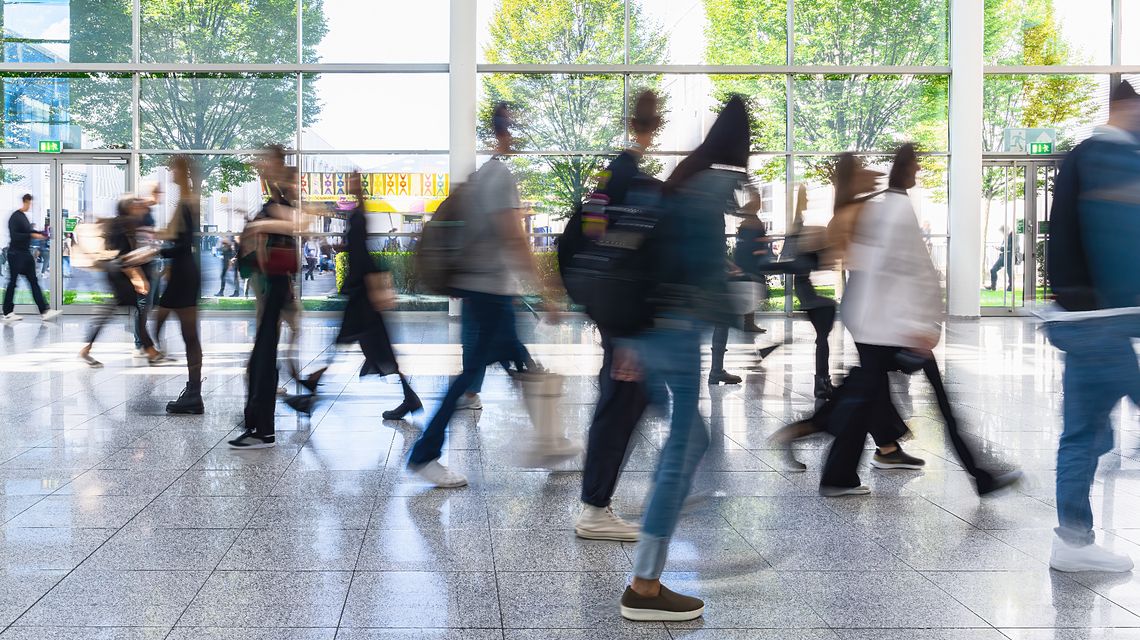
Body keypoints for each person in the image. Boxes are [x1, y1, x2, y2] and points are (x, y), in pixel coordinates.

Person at [617, 96, 753, 622]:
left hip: (649, 329)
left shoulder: (682, 179)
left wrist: (629, 336)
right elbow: (699, 272)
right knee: (686, 442)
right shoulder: (715, 185)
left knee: (684, 437)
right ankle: (644, 585)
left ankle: (654, 514)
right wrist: (738, 295)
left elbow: (651, 255)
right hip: (675, 331)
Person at [406, 103, 557, 487]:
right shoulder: (500, 176)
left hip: (483, 292)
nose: (520, 136)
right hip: (491, 294)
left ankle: (550, 441)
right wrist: (544, 291)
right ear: (505, 133)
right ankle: (425, 454)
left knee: (517, 364)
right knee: (477, 375)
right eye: (517, 128)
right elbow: (514, 239)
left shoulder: (483, 176)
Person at [768, 154, 922, 474]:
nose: (872, 174)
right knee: (867, 383)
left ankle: (888, 447)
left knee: (873, 382)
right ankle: (803, 430)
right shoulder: (851, 213)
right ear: (852, 178)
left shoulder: (852, 210)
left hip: (867, 305)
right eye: (862, 170)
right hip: (870, 308)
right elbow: (861, 257)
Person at [1045, 80, 1140, 573]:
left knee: (1083, 434)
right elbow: (1120, 246)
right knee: (1085, 434)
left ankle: (1073, 540)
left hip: (1082, 321)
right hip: (1105, 323)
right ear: (1126, 108)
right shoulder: (1112, 158)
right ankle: (1073, 541)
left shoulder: (1081, 156)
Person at [569, 89, 660, 542]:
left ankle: (599, 502)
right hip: (625, 317)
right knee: (621, 403)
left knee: (629, 399)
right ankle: (594, 507)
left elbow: (582, 238)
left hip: (612, 309)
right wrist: (627, 331)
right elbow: (630, 257)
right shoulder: (637, 186)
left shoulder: (607, 180)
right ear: (653, 126)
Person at [287, 173, 423, 421]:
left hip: (362, 298)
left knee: (360, 348)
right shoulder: (359, 215)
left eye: (352, 182)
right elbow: (359, 251)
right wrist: (343, 250)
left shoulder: (358, 216)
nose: (349, 186)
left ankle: (312, 389)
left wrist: (369, 285)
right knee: (371, 349)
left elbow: (361, 256)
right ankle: (408, 398)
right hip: (363, 297)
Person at [228, 150, 304, 449]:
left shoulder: (282, 200)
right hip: (271, 285)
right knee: (261, 359)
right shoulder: (275, 199)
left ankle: (262, 430)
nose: (261, 167)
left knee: (262, 359)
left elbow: (297, 224)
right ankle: (259, 426)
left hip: (275, 286)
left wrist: (259, 226)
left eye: (266, 162)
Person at [79, 198, 166, 367]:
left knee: (116, 310)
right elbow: (123, 256)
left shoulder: (125, 223)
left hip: (119, 274)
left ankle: (87, 349)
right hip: (120, 275)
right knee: (136, 310)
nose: (138, 208)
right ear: (127, 209)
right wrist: (138, 278)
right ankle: (150, 351)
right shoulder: (121, 225)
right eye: (134, 206)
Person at [152, 156, 205, 415]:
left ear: (181, 171)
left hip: (184, 273)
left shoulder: (188, 201)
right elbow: (177, 237)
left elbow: (183, 244)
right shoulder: (186, 200)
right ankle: (193, 391)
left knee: (187, 334)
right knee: (180, 331)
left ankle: (194, 393)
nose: (170, 172)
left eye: (173, 168)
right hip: (183, 272)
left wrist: (160, 251)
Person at [785, 184, 839, 399]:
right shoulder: (799, 234)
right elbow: (816, 262)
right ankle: (822, 382)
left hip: (805, 292)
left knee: (822, 338)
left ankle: (822, 381)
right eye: (805, 199)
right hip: (807, 295)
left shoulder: (799, 236)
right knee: (823, 336)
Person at [2, 194, 61, 323]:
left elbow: (29, 232)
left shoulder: (23, 217)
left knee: (34, 282)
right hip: (15, 254)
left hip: (25, 254)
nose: (30, 206)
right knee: (12, 283)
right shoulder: (15, 217)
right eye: (29, 203)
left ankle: (44, 311)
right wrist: (32, 235)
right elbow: (16, 236)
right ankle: (7, 312)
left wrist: (41, 234)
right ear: (25, 202)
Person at [987, 225, 1016, 291]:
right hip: (1003, 256)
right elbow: (1005, 246)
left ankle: (1010, 287)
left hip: (1009, 256)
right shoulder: (1006, 236)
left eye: (1002, 231)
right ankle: (993, 286)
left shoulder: (1012, 235)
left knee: (1009, 272)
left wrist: (1001, 248)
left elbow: (1011, 246)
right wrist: (1000, 248)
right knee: (993, 270)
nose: (1002, 233)